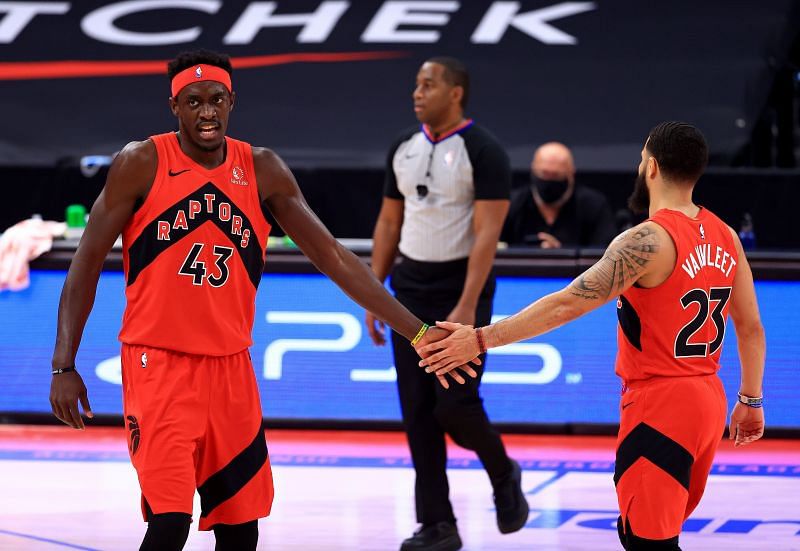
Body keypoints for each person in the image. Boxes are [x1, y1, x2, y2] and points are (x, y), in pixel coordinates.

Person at [47, 49, 469, 551]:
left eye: (217, 100)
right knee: (169, 524)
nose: (207, 112)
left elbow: (333, 256)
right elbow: (85, 263)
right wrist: (63, 365)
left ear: (232, 101)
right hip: (158, 364)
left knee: (241, 527)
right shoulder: (142, 161)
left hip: (231, 372)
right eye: (194, 101)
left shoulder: (261, 168)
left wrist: (416, 330)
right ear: (174, 106)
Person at [418, 122, 766, 550]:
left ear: (651, 167)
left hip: (661, 403)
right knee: (643, 529)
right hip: (709, 400)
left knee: (648, 542)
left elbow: (567, 304)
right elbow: (750, 327)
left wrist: (479, 339)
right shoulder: (727, 236)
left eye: (642, 159)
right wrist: (750, 399)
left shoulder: (646, 241)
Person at [365, 57, 528, 551]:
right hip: (409, 291)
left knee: (454, 407)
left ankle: (503, 472)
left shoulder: (484, 150)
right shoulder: (403, 146)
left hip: (461, 288)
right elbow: (389, 223)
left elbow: (487, 235)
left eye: (428, 85)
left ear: (455, 93)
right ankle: (438, 524)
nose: (417, 92)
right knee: (417, 411)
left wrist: (466, 303)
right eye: (416, 84)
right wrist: (375, 292)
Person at [501, 142, 617, 248]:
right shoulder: (512, 204)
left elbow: (606, 257)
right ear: (533, 170)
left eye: (556, 176)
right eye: (544, 174)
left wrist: (560, 254)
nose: (549, 181)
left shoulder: (593, 205)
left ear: (571, 173)